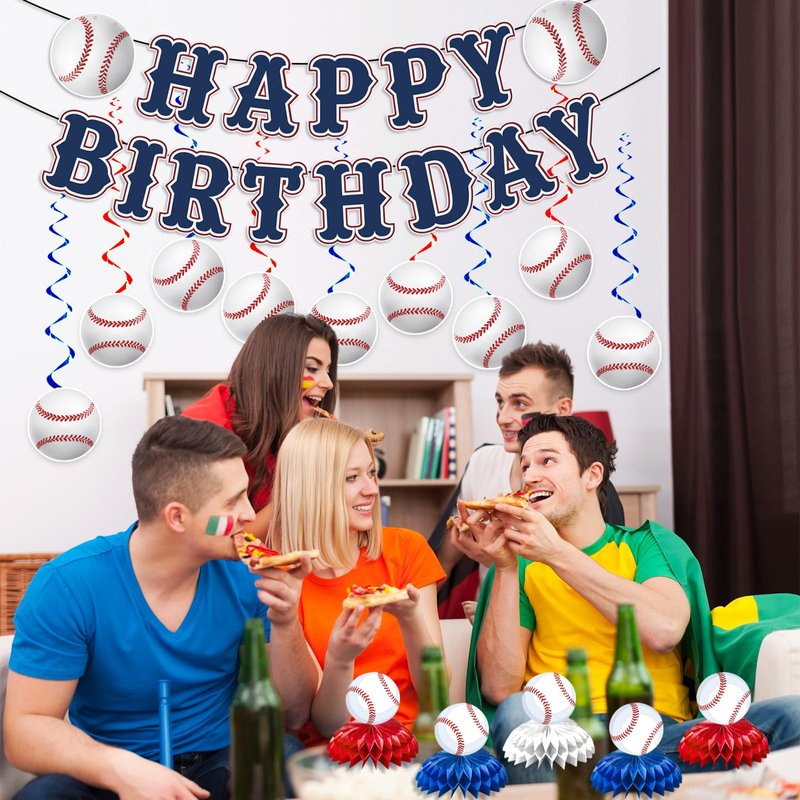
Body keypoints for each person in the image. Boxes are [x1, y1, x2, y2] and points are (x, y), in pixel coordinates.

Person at [463, 413, 800, 783]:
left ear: (592, 475)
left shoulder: (647, 545)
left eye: (547, 460)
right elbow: (498, 688)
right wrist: (505, 568)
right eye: (524, 466)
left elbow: (663, 630)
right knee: (517, 714)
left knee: (793, 715)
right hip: (563, 735)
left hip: (660, 738)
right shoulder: (520, 567)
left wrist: (556, 554)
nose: (529, 476)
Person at [5, 416, 317, 800]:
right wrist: (119, 769)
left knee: (285, 759)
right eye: (233, 501)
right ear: (177, 517)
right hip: (110, 773)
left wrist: (285, 622)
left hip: (221, 766)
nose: (252, 514)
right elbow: (25, 731)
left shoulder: (249, 576)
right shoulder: (68, 586)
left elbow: (294, 713)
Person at [268, 418, 447, 741]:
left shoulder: (407, 549)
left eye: (372, 473)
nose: (372, 489)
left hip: (411, 742)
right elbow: (326, 725)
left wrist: (410, 620)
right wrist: (340, 659)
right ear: (311, 488)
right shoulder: (285, 580)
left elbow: (438, 694)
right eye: (352, 478)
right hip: (332, 752)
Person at [432, 342, 624, 617]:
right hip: (490, 620)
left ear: (562, 409)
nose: (502, 417)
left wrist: (500, 562)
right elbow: (441, 562)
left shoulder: (588, 488)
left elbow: (604, 586)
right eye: (500, 402)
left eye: (520, 403)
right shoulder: (482, 462)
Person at [182, 313, 338, 539]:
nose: (328, 383)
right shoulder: (205, 431)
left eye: (328, 370)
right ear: (274, 369)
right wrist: (300, 486)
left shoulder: (286, 425)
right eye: (312, 369)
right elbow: (215, 539)